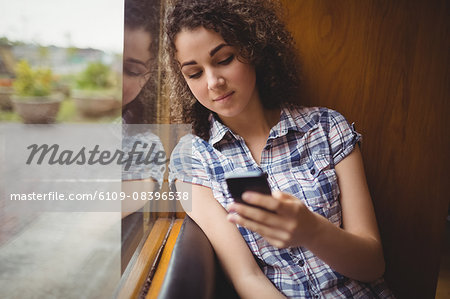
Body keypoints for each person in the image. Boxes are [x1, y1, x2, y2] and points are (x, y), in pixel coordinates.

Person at [166, 0, 395, 298]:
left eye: (224, 59)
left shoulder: (325, 126)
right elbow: (247, 278)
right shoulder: (191, 159)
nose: (213, 82)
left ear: (253, 49)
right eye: (194, 73)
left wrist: (311, 230)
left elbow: (372, 265)